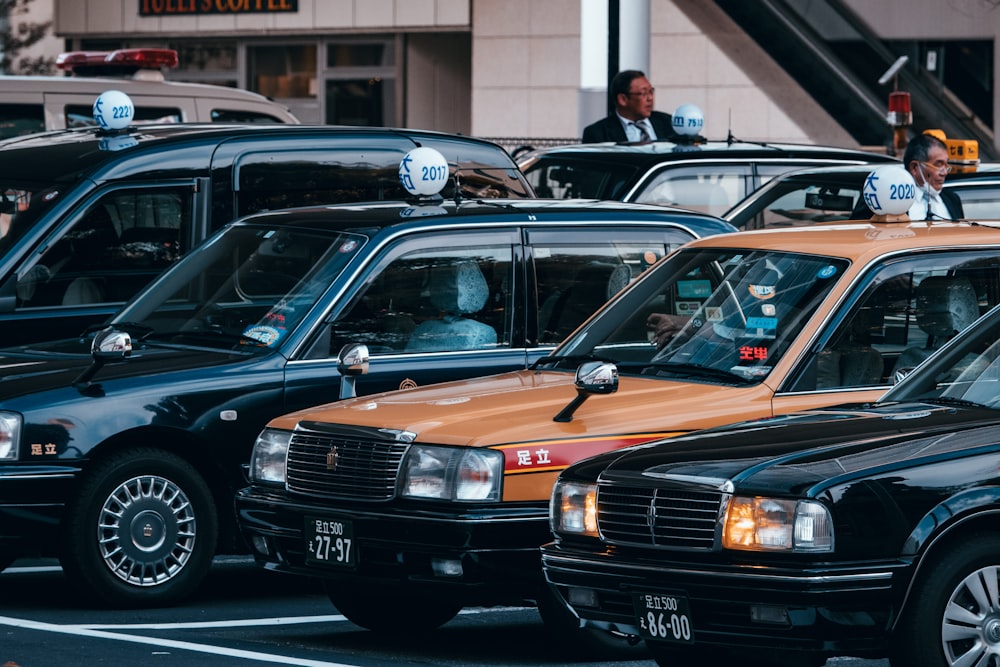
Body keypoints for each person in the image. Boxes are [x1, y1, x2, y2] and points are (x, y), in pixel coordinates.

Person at [853, 132, 964, 221]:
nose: (944, 172)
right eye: (938, 165)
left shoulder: (952, 200)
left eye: (946, 165)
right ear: (915, 167)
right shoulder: (884, 197)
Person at [582, 70, 676, 143]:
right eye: (643, 93)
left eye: (651, 91)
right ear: (623, 99)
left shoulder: (669, 123)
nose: (650, 98)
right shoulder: (598, 134)